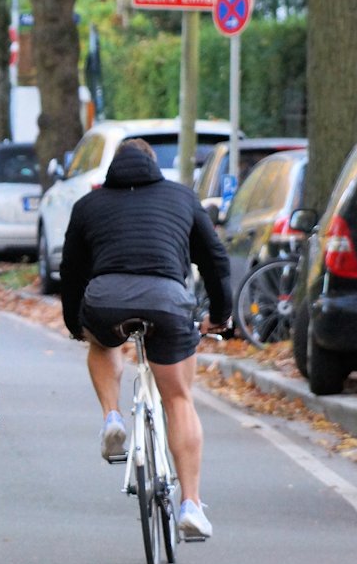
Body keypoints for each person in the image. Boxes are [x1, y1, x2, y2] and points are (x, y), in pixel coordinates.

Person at [59, 137, 231, 540]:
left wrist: (75, 324)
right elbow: (215, 258)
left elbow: (71, 271)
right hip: (167, 300)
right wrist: (220, 316)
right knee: (178, 399)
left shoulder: (88, 205)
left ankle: (112, 417)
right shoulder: (182, 198)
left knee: (102, 341)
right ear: (154, 165)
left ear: (113, 168)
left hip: (106, 300)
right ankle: (190, 504)